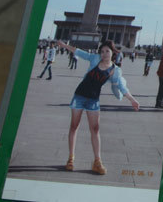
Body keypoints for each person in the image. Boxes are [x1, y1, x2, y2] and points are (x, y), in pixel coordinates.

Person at [55, 39, 140, 174]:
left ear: (113, 53)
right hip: (79, 96)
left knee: (95, 129)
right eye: (102, 51)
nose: (104, 54)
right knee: (74, 126)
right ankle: (70, 159)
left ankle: (97, 161)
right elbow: (79, 52)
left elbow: (122, 87)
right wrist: (64, 45)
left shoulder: (115, 70)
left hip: (93, 100)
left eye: (107, 51)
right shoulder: (94, 59)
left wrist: (132, 100)